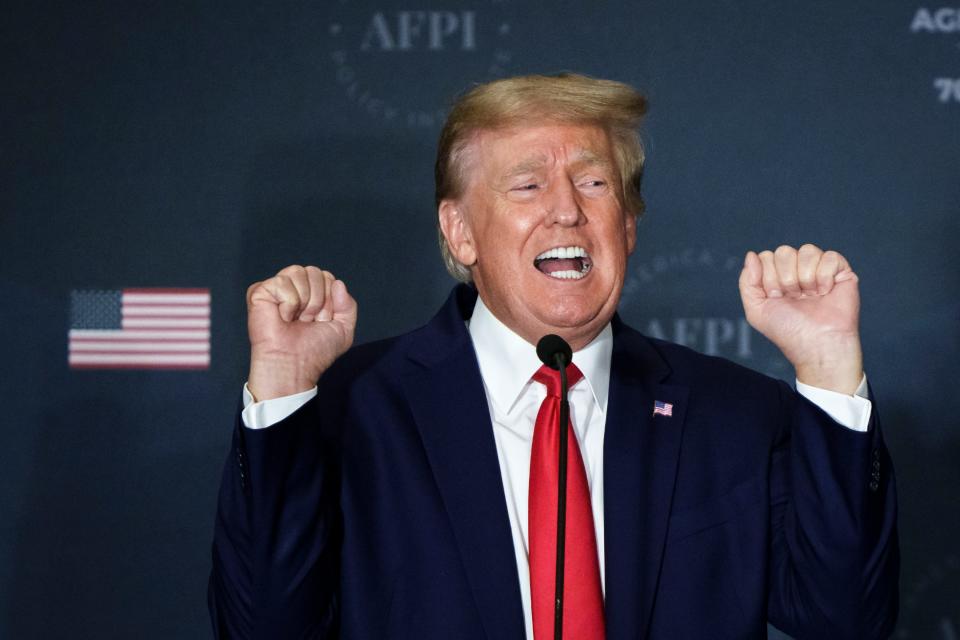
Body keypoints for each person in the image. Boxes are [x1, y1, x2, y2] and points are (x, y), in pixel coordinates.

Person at [209, 73, 898, 639]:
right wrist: (282, 386)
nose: (567, 210)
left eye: (595, 184)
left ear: (627, 226)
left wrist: (830, 366)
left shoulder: (735, 412)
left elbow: (848, 618)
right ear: (459, 231)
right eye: (528, 184)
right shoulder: (352, 408)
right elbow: (263, 627)